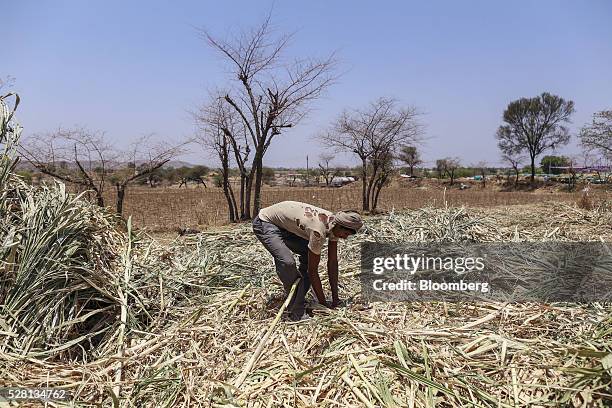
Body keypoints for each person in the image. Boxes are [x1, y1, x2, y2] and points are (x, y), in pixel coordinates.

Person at [252, 201, 363, 321]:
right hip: (266, 222)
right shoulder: (318, 231)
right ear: (339, 225)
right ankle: (296, 311)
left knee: (308, 256)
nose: (345, 237)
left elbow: (332, 263)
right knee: (287, 263)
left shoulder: (334, 224)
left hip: (287, 226)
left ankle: (298, 297)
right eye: (345, 233)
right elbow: (312, 271)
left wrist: (336, 299)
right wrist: (323, 304)